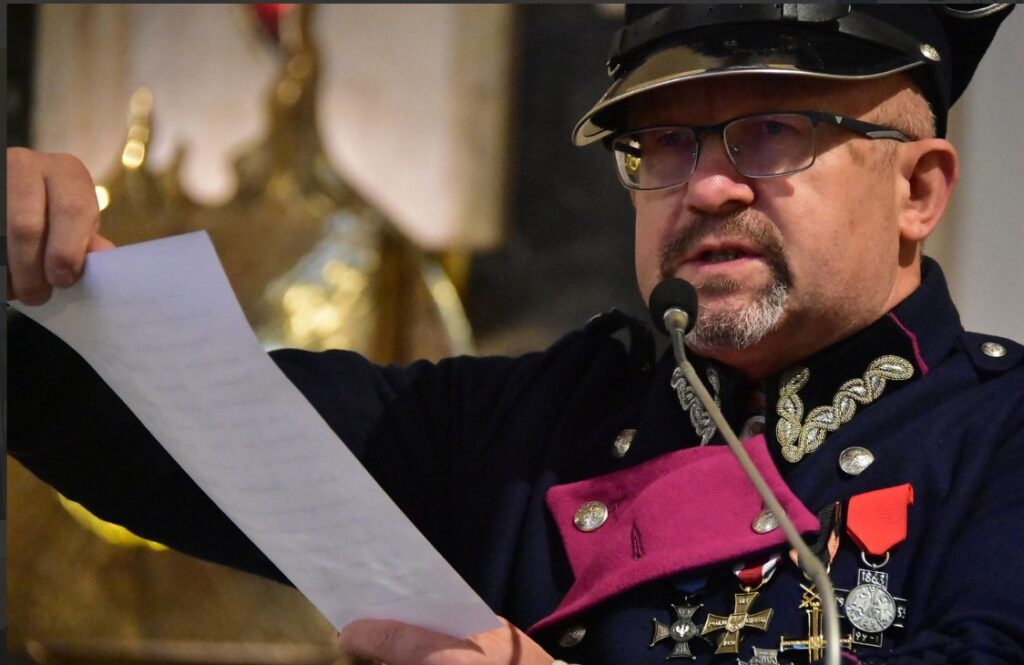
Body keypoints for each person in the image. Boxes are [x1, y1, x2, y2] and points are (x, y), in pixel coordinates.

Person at [8, 4, 1024, 664]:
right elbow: (154, 431)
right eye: (663, 142)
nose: (706, 187)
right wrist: (31, 273)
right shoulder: (522, 427)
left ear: (919, 189)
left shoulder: (1002, 437)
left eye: (771, 132)